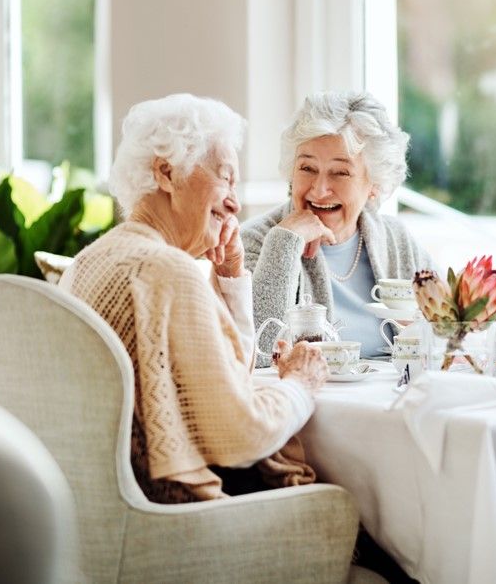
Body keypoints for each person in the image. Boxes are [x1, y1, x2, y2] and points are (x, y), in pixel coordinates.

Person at [60, 93, 328, 503]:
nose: (236, 203)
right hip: (177, 518)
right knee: (345, 509)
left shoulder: (88, 262)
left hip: (103, 510)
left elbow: (228, 376)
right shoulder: (167, 272)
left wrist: (231, 274)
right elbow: (242, 435)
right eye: (225, 177)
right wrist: (299, 384)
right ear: (166, 173)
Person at [241, 91, 434, 358]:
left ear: (374, 185)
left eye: (340, 173)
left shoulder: (395, 239)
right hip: (307, 397)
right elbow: (257, 354)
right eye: (307, 168)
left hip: (392, 395)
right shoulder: (256, 240)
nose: (319, 190)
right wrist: (284, 242)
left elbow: (447, 330)